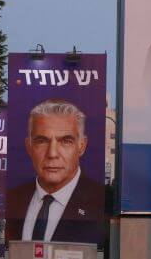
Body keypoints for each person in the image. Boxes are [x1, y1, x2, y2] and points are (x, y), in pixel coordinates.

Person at [6, 99, 104, 244]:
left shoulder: (101, 202)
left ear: (82, 146)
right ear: (29, 146)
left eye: (65, 141)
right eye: (42, 141)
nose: (52, 154)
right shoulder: (10, 200)